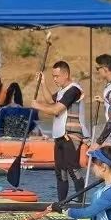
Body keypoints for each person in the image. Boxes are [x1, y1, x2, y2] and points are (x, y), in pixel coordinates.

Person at [32, 60, 87, 202]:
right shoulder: (63, 91)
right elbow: (50, 100)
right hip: (60, 136)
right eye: (53, 76)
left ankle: (80, 201)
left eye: (56, 76)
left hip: (72, 135)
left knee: (72, 169)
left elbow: (56, 109)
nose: (54, 79)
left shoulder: (74, 90)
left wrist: (38, 106)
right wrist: (43, 83)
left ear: (66, 74)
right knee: (60, 172)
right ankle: (61, 203)